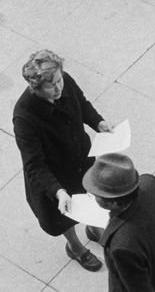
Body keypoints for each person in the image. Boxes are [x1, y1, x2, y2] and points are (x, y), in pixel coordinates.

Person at [12, 50, 113, 272]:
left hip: (80, 160)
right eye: (51, 85)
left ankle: (94, 230)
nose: (59, 88)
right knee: (65, 215)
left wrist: (99, 123)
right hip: (54, 177)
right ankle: (75, 247)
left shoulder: (64, 81)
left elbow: (82, 104)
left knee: (90, 200)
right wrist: (58, 191)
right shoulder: (24, 117)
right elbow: (34, 165)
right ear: (35, 87)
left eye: (59, 80)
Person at [83, 152, 155, 291]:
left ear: (115, 203)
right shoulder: (151, 184)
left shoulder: (122, 245)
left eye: (97, 195)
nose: (94, 196)